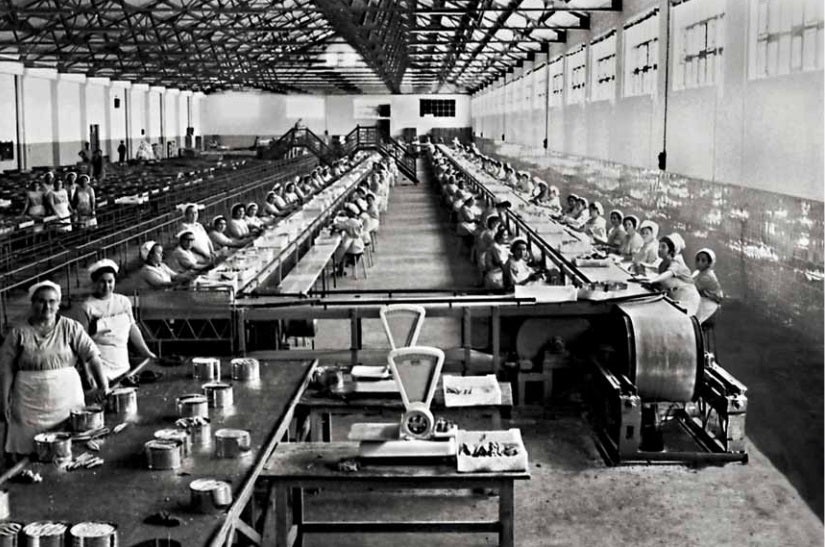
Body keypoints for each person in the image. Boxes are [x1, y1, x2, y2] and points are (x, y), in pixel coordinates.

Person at [0, 281, 108, 457]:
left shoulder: (71, 327)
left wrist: (103, 385)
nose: (46, 306)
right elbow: (6, 369)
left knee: (67, 448)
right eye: (41, 301)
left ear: (59, 304)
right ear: (32, 303)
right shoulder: (18, 333)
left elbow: (92, 355)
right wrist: (3, 400)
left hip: (65, 399)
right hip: (29, 402)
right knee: (30, 450)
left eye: (52, 301)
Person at [78, 259, 156, 380]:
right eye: (102, 282)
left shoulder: (123, 302)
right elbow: (83, 342)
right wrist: (87, 373)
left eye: (110, 281)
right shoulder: (87, 307)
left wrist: (146, 353)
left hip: (122, 362)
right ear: (95, 282)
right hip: (100, 364)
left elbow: (132, 329)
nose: (107, 286)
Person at [637, 233, 700, 316]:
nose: (659, 249)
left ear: (671, 250)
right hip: (674, 296)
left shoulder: (677, 262)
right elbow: (663, 282)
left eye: (663, 247)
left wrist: (652, 280)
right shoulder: (662, 264)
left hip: (687, 299)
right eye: (659, 246)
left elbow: (668, 273)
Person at [332, 203, 365, 275]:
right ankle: (340, 269)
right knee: (341, 248)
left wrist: (333, 224)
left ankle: (339, 270)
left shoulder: (350, 222)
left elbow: (338, 226)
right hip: (359, 246)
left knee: (338, 251)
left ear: (350, 212)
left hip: (353, 248)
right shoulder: (357, 220)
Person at [693, 248, 724, 324]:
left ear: (709, 263)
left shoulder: (708, 276)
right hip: (701, 298)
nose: (699, 262)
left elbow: (692, 287)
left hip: (710, 303)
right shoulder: (698, 272)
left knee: (694, 319)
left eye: (703, 261)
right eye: (698, 260)